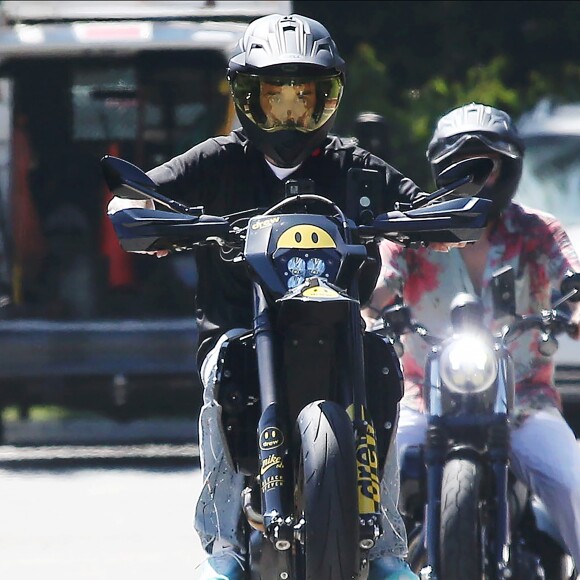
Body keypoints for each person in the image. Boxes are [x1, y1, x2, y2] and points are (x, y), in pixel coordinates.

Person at [107, 13, 429, 580]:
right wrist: (146, 218)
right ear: (247, 99)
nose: (289, 115)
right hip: (239, 328)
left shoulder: (352, 163)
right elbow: (143, 193)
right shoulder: (216, 160)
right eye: (274, 98)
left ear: (327, 101)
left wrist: (433, 220)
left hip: (340, 331)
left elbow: (416, 201)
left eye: (304, 99)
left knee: (383, 360)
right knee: (222, 372)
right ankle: (224, 541)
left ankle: (386, 546)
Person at [361, 102, 580, 569]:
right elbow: (380, 284)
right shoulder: (410, 230)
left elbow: (571, 275)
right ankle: (369, 567)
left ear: (510, 168)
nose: (478, 175)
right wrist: (363, 309)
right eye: (463, 163)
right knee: (370, 477)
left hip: (525, 402)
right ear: (443, 168)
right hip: (421, 396)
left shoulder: (539, 231)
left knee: (570, 480)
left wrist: (573, 307)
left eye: (489, 163)